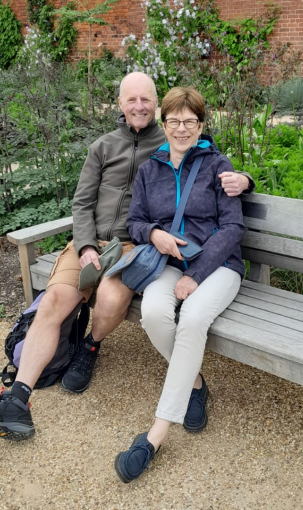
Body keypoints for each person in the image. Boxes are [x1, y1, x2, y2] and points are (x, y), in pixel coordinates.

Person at [0, 73, 253, 442]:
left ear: (158, 105)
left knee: (111, 300)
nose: (139, 106)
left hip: (132, 247)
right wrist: (84, 247)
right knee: (54, 302)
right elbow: (81, 202)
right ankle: (17, 399)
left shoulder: (174, 138)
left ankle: (90, 346)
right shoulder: (104, 146)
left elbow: (213, 162)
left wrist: (244, 178)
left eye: (146, 99)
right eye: (132, 100)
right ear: (120, 104)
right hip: (90, 242)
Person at [114, 87, 247, 483]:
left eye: (190, 121)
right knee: (153, 312)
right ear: (164, 122)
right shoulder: (150, 168)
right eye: (174, 121)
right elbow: (134, 221)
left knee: (190, 319)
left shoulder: (216, 165)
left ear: (202, 125)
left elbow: (233, 227)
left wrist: (195, 274)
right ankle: (194, 382)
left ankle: (155, 434)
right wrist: (154, 234)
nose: (182, 128)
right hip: (169, 262)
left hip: (219, 266)